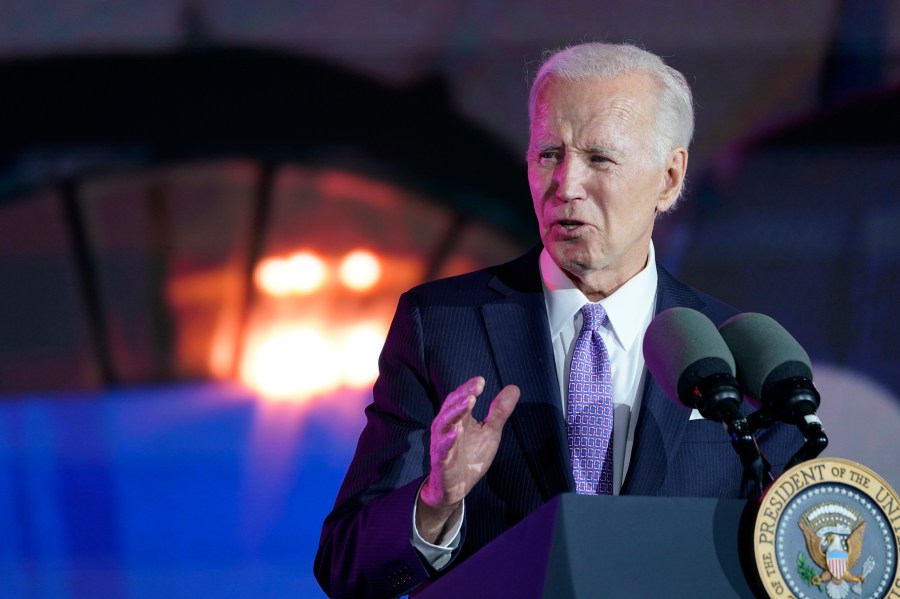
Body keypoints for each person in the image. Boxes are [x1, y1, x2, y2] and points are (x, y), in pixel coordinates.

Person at [314, 42, 801, 599]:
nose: (565, 186)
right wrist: (433, 504)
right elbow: (345, 565)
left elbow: (795, 557)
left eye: (599, 158)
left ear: (668, 178)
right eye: (549, 153)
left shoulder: (734, 354)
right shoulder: (442, 326)